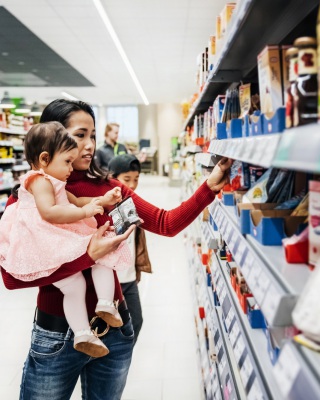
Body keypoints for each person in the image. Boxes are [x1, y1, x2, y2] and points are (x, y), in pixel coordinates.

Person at [0, 98, 231, 399]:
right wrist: (88, 255)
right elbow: (12, 277)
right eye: (79, 135)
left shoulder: (109, 190)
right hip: (57, 336)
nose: (89, 145)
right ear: (52, 136)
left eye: (93, 135)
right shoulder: (31, 196)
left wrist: (209, 187)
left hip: (115, 333)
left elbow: (166, 223)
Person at [0, 121, 133, 358]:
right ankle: (83, 331)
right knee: (79, 279)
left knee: (96, 265)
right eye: (67, 162)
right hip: (46, 242)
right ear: (44, 159)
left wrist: (103, 199)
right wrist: (84, 214)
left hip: (59, 236)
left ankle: (102, 307)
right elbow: (49, 212)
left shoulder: (56, 181)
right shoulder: (38, 181)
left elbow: (78, 202)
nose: (71, 168)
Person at [108, 154, 150, 345]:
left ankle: (119, 360)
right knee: (109, 328)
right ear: (112, 177)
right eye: (127, 180)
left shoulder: (132, 203)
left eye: (136, 179)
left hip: (129, 278)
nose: (132, 185)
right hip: (109, 280)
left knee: (136, 321)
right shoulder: (104, 205)